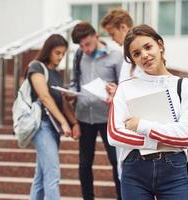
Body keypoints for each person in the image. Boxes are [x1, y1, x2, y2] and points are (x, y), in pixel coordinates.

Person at [107, 24, 188, 200]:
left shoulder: (184, 86)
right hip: (134, 171)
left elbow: (187, 136)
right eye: (136, 54)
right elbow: (114, 134)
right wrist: (160, 141)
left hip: (174, 172)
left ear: (160, 45)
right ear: (133, 60)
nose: (144, 55)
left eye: (148, 47)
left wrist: (141, 125)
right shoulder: (125, 88)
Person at [69, 22, 122, 200]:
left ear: (96, 36)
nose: (86, 49)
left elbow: (124, 86)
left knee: (116, 161)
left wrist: (116, 90)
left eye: (88, 44)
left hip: (108, 117)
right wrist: (71, 93)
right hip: (84, 116)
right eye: (82, 46)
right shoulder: (78, 55)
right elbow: (74, 80)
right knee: (84, 163)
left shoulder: (115, 55)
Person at [28, 34, 81, 200]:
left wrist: (74, 123)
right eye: (57, 53)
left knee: (41, 176)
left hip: (53, 128)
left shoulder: (56, 74)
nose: (60, 57)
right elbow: (44, 97)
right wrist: (64, 122)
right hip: (41, 126)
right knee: (52, 174)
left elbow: (62, 102)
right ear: (48, 50)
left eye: (63, 54)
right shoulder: (36, 66)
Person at [101, 8, 142, 100]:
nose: (112, 39)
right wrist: (116, 91)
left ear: (123, 27)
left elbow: (144, 87)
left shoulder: (140, 51)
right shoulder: (126, 53)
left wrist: (118, 91)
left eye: (112, 34)